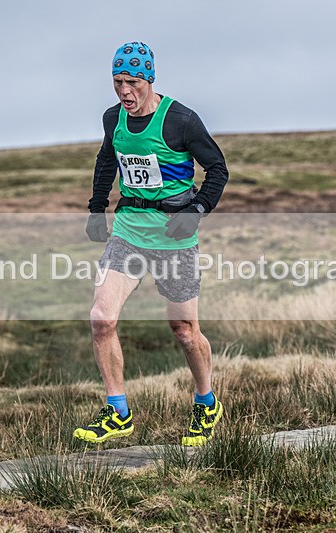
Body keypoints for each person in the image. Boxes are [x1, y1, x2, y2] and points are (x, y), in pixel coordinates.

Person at [74, 41, 229, 446]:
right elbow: (107, 159)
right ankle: (117, 411)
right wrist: (96, 208)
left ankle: (206, 401)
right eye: (117, 82)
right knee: (101, 319)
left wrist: (195, 210)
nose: (125, 91)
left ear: (150, 79)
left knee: (183, 330)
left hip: (174, 236)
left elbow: (218, 169)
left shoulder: (181, 120)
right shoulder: (113, 120)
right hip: (129, 229)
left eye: (133, 82)